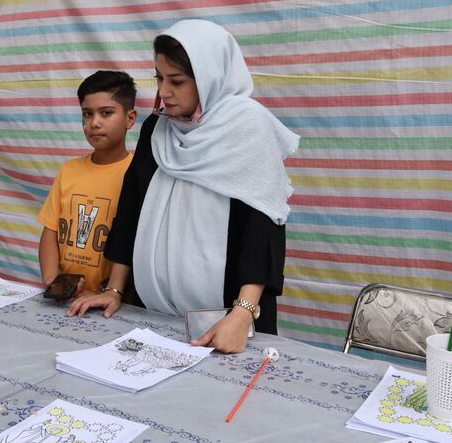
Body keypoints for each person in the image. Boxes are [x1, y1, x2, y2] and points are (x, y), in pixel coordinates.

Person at [69, 19, 299, 354]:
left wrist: (243, 313)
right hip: (154, 315)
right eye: (159, 78)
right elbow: (132, 208)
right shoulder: (157, 129)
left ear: (209, 77)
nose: (164, 92)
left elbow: (261, 231)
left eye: (176, 81)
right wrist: (115, 289)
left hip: (229, 319)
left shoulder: (249, 130)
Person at [37, 71, 137, 298]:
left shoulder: (137, 174)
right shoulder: (69, 171)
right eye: (87, 114)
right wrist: (54, 281)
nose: (95, 123)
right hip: (66, 298)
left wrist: (110, 293)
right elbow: (50, 231)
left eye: (106, 113)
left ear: (130, 118)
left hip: (113, 302)